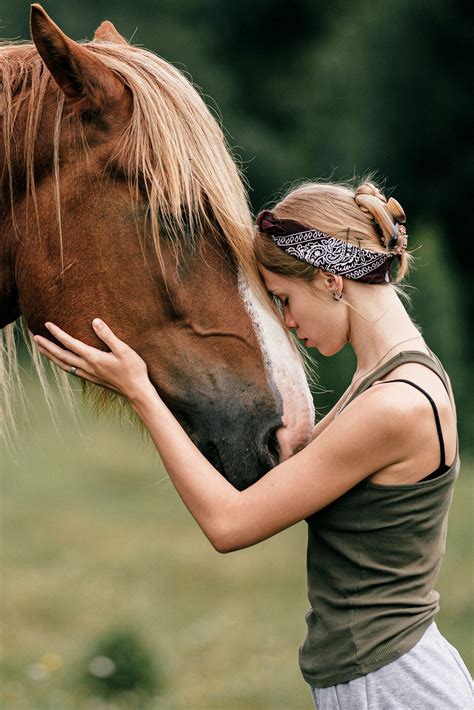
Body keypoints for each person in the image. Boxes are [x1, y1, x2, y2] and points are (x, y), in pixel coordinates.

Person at [33, 178, 473, 709]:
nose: (287, 322)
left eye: (284, 300)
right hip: (378, 673)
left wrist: (142, 394)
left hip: (392, 684)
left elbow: (230, 524)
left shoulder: (392, 406)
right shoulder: (391, 379)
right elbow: (294, 471)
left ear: (333, 279)